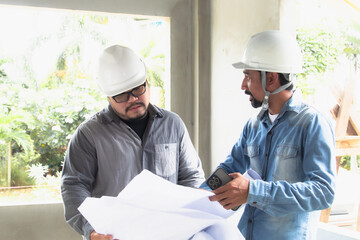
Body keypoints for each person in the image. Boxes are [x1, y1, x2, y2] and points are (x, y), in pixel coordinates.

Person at [200, 30, 336, 239]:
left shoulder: (311, 123)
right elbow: (228, 169)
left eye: (248, 76)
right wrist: (196, 198)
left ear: (270, 79)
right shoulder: (253, 125)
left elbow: (322, 192)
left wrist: (253, 192)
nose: (243, 85)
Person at [61, 45, 205, 240]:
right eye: (122, 95)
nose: (133, 98)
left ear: (147, 81)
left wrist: (189, 219)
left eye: (138, 88)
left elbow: (191, 176)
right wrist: (91, 230)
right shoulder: (89, 135)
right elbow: (74, 187)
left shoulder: (173, 125)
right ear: (108, 96)